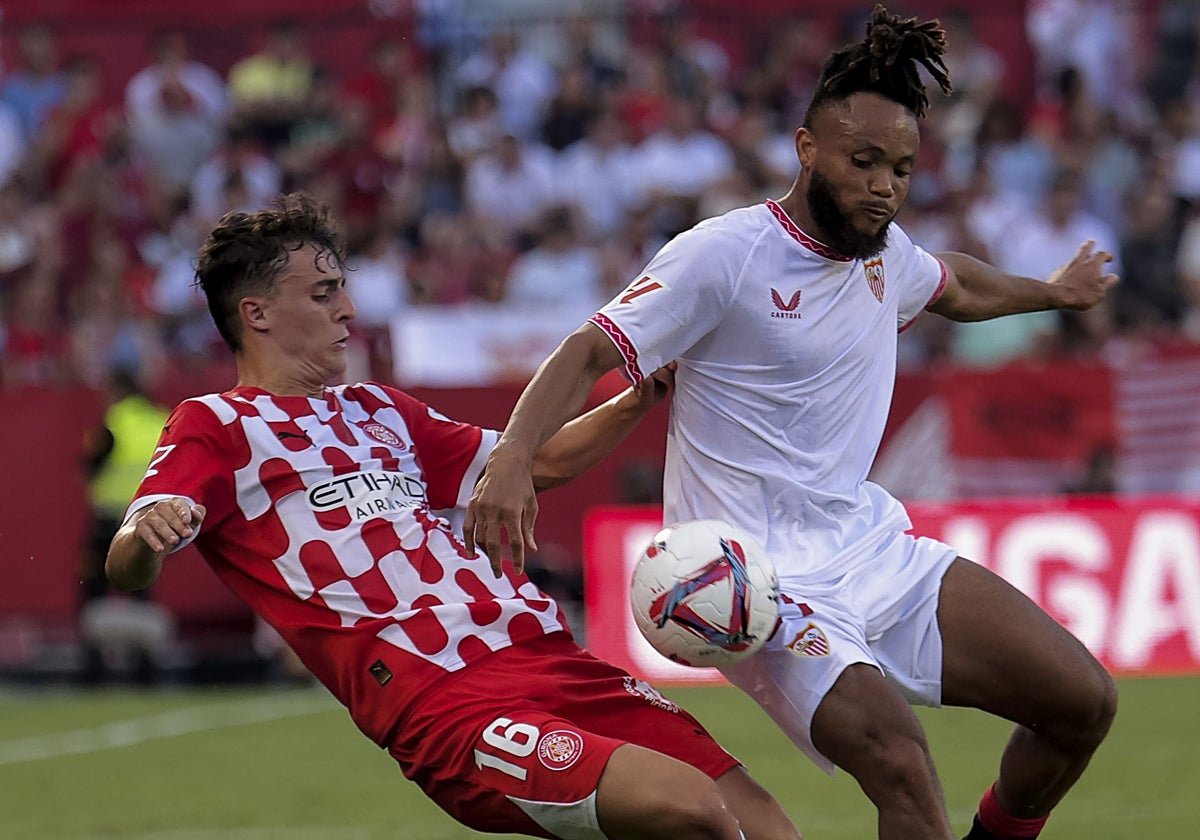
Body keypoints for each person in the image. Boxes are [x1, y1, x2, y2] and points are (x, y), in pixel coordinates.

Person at [463, 7, 1119, 840]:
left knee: (1083, 702)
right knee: (902, 768)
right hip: (756, 583)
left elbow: (956, 284)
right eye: (864, 160)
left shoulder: (887, 253)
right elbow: (589, 349)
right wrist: (513, 456)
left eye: (903, 169)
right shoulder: (723, 256)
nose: (885, 183)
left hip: (871, 548)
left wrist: (1053, 292)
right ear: (808, 151)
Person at [105, 193, 801, 840]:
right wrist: (146, 531)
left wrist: (638, 397)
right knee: (689, 810)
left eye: (342, 288)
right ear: (256, 314)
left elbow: (535, 464)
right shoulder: (218, 423)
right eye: (324, 294)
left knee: (761, 820)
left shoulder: (380, 409)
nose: (348, 309)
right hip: (447, 697)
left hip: (552, 657)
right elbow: (127, 562)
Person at [81, 368, 172, 684]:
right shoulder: (162, 419)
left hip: (109, 521)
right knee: (142, 589)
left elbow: (90, 464)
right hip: (152, 519)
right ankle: (147, 670)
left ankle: (94, 671)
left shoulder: (113, 421)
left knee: (93, 591)